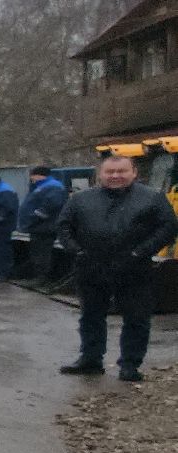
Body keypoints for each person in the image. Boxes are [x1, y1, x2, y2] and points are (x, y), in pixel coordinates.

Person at [57, 153, 178, 383]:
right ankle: (90, 360)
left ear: (134, 173)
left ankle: (130, 365)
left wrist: (140, 252)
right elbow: (64, 227)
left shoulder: (152, 198)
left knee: (137, 318)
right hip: (91, 267)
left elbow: (168, 228)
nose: (115, 176)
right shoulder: (80, 200)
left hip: (134, 268)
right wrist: (77, 250)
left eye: (121, 171)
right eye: (110, 172)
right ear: (100, 174)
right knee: (91, 316)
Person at [17, 164, 68, 279]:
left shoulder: (53, 187)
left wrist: (36, 216)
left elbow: (52, 204)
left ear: (40, 175)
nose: (32, 179)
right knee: (37, 252)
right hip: (38, 226)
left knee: (42, 254)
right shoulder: (42, 186)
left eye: (33, 176)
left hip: (44, 227)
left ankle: (42, 278)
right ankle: (38, 276)